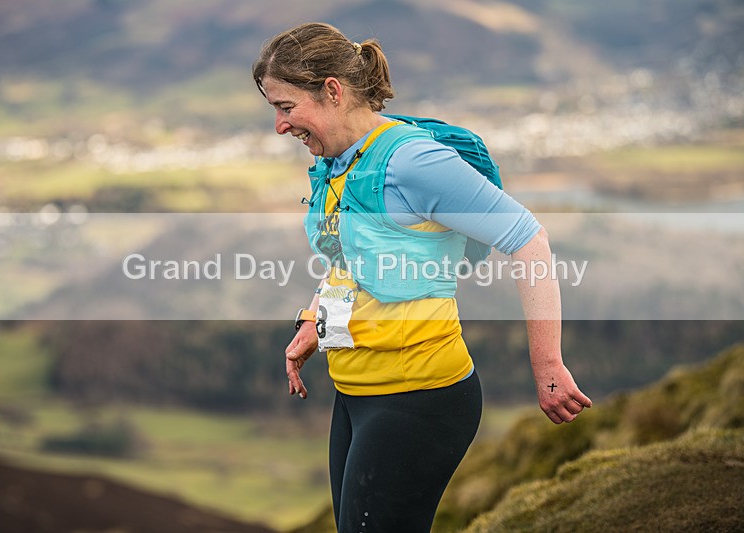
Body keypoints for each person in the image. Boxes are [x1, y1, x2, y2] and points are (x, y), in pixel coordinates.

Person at [253, 22, 591, 533]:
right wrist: (315, 321)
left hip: (419, 396)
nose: (280, 126)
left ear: (332, 90)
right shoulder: (340, 161)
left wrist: (548, 365)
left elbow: (528, 239)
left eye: (285, 107)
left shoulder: (413, 161)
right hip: (357, 394)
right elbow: (356, 258)